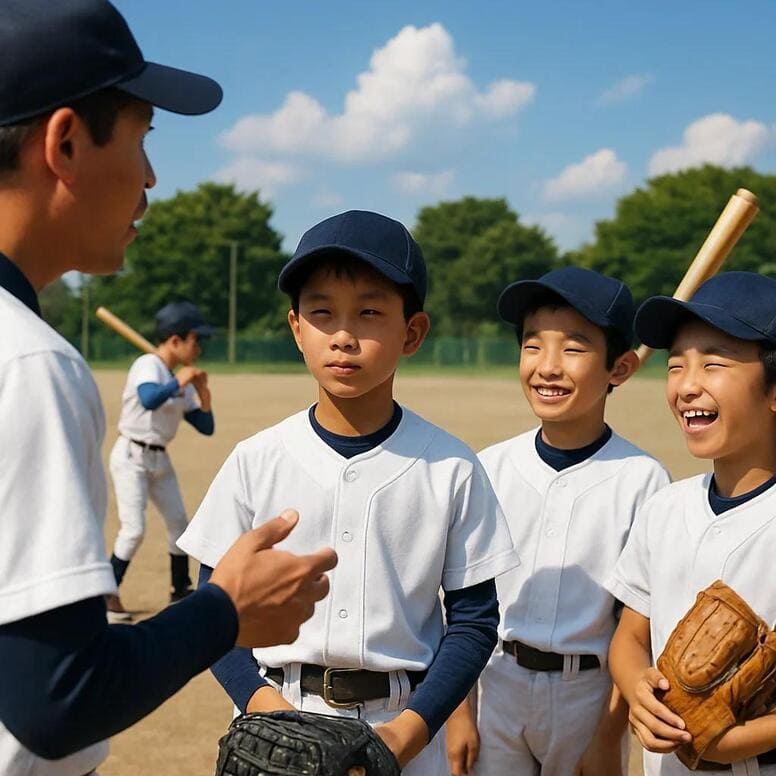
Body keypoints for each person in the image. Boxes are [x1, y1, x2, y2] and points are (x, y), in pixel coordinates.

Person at [0, 2, 336, 774]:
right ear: (65, 142)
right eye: (144, 136)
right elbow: (58, 701)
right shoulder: (29, 363)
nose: (151, 176)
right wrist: (224, 612)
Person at [178, 209, 521, 775]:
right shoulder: (257, 459)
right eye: (321, 312)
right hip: (278, 711)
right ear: (295, 328)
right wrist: (268, 713)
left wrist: (404, 738)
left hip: (403, 722)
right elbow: (213, 604)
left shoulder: (451, 465)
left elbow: (475, 620)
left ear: (411, 332)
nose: (342, 335)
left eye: (368, 312)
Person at [445, 267, 670, 776]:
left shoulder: (643, 479)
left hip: (588, 696)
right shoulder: (489, 468)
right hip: (495, 682)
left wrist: (607, 739)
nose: (548, 367)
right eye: (532, 346)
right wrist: (459, 714)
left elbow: (635, 628)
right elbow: (458, 602)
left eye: (573, 348)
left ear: (621, 367)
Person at [607, 271, 776, 775]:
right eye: (676, 365)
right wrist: (637, 686)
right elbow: (630, 636)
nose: (686, 385)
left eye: (714, 363)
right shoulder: (665, 508)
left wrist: (734, 739)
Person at [107, 301, 216, 622]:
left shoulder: (175, 377)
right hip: (131, 455)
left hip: (159, 459)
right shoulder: (148, 365)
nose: (199, 348)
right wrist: (180, 382)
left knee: (179, 525)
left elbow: (206, 427)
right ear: (174, 340)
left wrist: (203, 393)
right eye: (196, 340)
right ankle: (106, 594)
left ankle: (179, 589)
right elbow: (149, 399)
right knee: (133, 530)